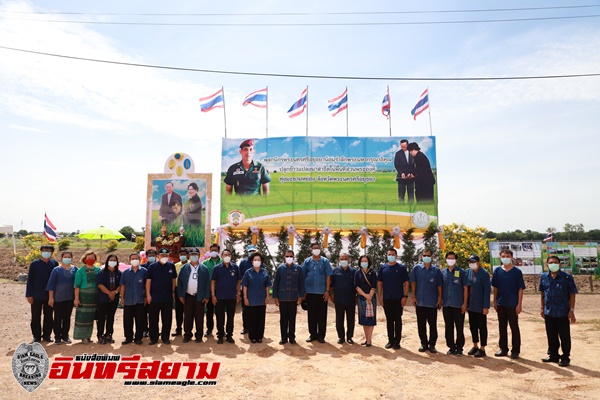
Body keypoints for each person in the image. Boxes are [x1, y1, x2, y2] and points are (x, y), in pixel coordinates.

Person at [539, 255, 578, 367]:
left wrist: (571, 310)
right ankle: (553, 355)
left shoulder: (566, 277)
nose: (553, 264)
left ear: (560, 264)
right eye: (550, 262)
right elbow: (542, 293)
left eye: (555, 262)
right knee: (551, 335)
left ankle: (565, 357)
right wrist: (542, 307)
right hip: (549, 311)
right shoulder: (544, 277)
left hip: (562, 312)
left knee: (564, 335)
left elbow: (572, 294)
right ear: (547, 265)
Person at [491, 248, 526, 359]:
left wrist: (519, 304)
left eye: (507, 256)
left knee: (514, 327)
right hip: (501, 303)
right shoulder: (497, 271)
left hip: (512, 304)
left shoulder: (517, 272)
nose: (505, 258)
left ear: (511, 257)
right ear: (500, 258)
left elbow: (520, 289)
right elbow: (495, 287)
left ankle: (515, 350)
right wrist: (494, 301)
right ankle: (503, 349)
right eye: (503, 256)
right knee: (502, 327)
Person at [410, 249, 443, 353]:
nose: (426, 257)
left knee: (432, 325)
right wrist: (413, 297)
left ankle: (432, 344)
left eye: (428, 255)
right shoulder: (416, 269)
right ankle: (424, 343)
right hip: (420, 302)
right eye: (424, 255)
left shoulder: (436, 271)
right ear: (421, 257)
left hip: (432, 303)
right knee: (421, 324)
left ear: (432, 257)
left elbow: (439, 286)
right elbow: (413, 283)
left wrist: (440, 298)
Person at [377, 248, 409, 350]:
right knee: (389, 320)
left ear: (396, 256)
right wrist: (380, 296)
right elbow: (380, 283)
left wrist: (405, 296)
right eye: (389, 254)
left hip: (398, 298)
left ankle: (397, 341)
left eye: (392, 254)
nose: (390, 256)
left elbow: (406, 282)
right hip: (387, 298)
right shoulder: (383, 268)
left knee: (398, 320)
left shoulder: (401, 268)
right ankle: (390, 340)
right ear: (386, 255)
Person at [26, 244, 58, 343]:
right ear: (41, 251)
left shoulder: (55, 264)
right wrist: (29, 294)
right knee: (35, 316)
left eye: (49, 250)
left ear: (52, 252)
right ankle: (36, 336)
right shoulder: (34, 264)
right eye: (45, 250)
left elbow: (56, 280)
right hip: (36, 295)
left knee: (48, 316)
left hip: (50, 295)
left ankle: (47, 335)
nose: (46, 252)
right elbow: (30, 280)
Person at [177, 247, 210, 343]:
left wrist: (207, 296)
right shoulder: (184, 268)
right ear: (189, 256)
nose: (194, 257)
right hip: (188, 296)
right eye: (192, 255)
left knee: (199, 317)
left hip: (199, 296)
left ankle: (199, 335)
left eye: (196, 255)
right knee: (188, 316)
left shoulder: (204, 269)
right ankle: (187, 334)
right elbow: (180, 283)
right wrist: (180, 295)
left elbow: (207, 283)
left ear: (199, 256)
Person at [301, 242, 333, 343]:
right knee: (311, 314)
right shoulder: (307, 261)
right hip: (309, 292)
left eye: (317, 248)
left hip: (322, 292)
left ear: (321, 249)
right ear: (311, 250)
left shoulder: (325, 261)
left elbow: (328, 276)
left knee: (322, 315)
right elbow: (302, 276)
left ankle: (321, 336)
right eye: (314, 248)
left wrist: (327, 291)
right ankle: (312, 334)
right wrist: (303, 291)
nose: (316, 250)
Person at [272, 250, 305, 345]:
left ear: (293, 258)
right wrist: (275, 297)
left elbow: (301, 283)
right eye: (287, 256)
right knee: (283, 318)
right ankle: (283, 338)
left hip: (293, 298)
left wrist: (301, 296)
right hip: (282, 297)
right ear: (284, 257)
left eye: (291, 256)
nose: (289, 258)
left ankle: (292, 337)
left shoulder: (298, 269)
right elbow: (276, 283)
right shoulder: (280, 269)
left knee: (292, 318)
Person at [146, 248, 177, 345]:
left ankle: (165, 337)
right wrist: (148, 294)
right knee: (153, 318)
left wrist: (173, 292)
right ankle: (153, 338)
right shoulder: (152, 267)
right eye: (162, 255)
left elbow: (173, 280)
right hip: (154, 297)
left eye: (166, 255)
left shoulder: (171, 266)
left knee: (167, 318)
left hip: (167, 297)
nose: (164, 257)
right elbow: (148, 281)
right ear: (158, 256)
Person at [441, 251, 470, 356]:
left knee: (459, 327)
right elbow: (440, 288)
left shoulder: (461, 272)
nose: (450, 260)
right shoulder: (443, 272)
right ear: (446, 259)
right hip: (446, 305)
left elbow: (465, 288)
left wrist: (464, 303)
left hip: (458, 304)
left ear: (456, 260)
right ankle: (451, 347)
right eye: (448, 258)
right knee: (448, 326)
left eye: (452, 258)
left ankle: (459, 348)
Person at [46, 251, 77, 345]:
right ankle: (57, 337)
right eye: (65, 257)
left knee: (67, 318)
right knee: (58, 318)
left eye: (69, 257)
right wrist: (51, 298)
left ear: (71, 258)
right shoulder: (56, 270)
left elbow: (77, 284)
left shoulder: (75, 269)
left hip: (70, 298)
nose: (67, 258)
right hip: (58, 298)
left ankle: (65, 336)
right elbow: (51, 285)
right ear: (62, 258)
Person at [211, 249, 241, 344]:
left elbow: (239, 281)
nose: (227, 256)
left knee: (230, 317)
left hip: (231, 297)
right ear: (222, 256)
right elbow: (213, 282)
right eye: (225, 254)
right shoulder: (217, 268)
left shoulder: (235, 267)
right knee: (220, 317)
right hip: (219, 297)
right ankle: (220, 335)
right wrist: (213, 295)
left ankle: (229, 336)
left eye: (228, 254)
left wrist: (238, 293)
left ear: (231, 256)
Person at [242, 252, 272, 343]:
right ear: (252, 262)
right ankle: (252, 337)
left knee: (261, 319)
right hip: (251, 299)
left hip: (261, 299)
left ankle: (259, 337)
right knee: (252, 319)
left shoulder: (265, 272)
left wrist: (267, 297)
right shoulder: (248, 273)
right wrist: (245, 297)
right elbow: (245, 286)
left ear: (261, 262)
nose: (257, 261)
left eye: (259, 260)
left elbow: (267, 286)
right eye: (255, 260)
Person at [465, 255, 490, 358]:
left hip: (480, 305)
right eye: (470, 261)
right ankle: (475, 345)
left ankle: (482, 348)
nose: (471, 263)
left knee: (482, 327)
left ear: (478, 262)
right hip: (471, 305)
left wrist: (485, 306)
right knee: (473, 326)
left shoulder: (484, 274)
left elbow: (487, 291)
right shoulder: (468, 272)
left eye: (473, 261)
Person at [74, 251, 101, 344]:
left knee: (91, 317)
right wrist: (76, 298)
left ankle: (88, 336)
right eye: (88, 258)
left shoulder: (98, 270)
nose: (90, 259)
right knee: (83, 316)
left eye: (92, 258)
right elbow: (76, 285)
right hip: (84, 296)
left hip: (94, 296)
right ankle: (82, 337)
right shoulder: (80, 270)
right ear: (84, 259)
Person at [120, 253, 147, 345]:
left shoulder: (144, 271)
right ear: (129, 260)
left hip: (140, 300)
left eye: (136, 258)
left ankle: (138, 338)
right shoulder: (125, 273)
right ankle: (128, 337)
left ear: (139, 260)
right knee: (127, 321)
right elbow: (123, 286)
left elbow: (146, 285)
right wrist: (122, 297)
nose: (134, 260)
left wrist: (146, 297)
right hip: (128, 300)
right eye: (132, 258)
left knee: (140, 320)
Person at [330, 253, 356, 344]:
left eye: (345, 258)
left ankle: (349, 337)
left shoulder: (354, 271)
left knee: (351, 320)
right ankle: (341, 337)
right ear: (339, 260)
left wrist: (356, 297)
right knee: (339, 320)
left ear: (349, 260)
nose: (344, 260)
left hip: (351, 300)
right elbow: (330, 285)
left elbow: (357, 286)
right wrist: (331, 295)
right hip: (339, 299)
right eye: (342, 259)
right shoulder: (335, 271)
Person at [96, 255, 122, 344]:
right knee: (101, 317)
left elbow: (120, 285)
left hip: (114, 299)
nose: (112, 261)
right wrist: (109, 293)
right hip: (103, 299)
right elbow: (100, 284)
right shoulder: (101, 272)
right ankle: (100, 335)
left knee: (111, 317)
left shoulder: (119, 273)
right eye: (111, 260)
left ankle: (109, 334)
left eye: (114, 260)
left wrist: (114, 293)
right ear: (107, 261)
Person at [355, 255, 377, 347]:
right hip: (361, 297)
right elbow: (356, 286)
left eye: (366, 261)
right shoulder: (357, 273)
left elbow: (374, 285)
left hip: (371, 298)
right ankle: (366, 337)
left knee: (371, 318)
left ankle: (369, 340)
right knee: (363, 318)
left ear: (368, 262)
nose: (364, 262)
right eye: (362, 261)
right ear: (360, 262)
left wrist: (370, 296)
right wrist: (365, 295)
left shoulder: (373, 272)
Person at [202, 244, 223, 337]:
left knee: (220, 311)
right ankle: (209, 329)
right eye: (212, 250)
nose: (213, 252)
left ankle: (221, 330)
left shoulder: (223, 262)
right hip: (209, 290)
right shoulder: (205, 263)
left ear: (218, 251)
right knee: (209, 311)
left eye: (215, 250)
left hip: (221, 291)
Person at [238, 244, 257, 335]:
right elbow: (239, 276)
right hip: (245, 289)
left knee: (255, 309)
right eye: (250, 251)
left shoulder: (258, 262)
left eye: (253, 251)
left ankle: (255, 327)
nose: (251, 253)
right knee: (245, 309)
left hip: (256, 290)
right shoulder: (243, 263)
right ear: (247, 252)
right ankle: (246, 328)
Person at [172, 248, 189, 337]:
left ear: (187, 255)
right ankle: (178, 329)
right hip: (178, 289)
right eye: (181, 254)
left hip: (188, 290)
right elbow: (174, 279)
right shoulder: (175, 266)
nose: (183, 256)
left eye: (184, 254)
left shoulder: (191, 264)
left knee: (188, 311)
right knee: (178, 311)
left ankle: (187, 330)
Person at [140, 248, 156, 338]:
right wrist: (145, 294)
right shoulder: (143, 267)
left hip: (155, 294)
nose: (151, 257)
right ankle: (144, 329)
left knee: (153, 314)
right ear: (146, 256)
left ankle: (153, 330)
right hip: (145, 294)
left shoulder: (159, 266)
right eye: (150, 256)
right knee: (143, 313)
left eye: (153, 255)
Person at [394, 139, 414, 203]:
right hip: (401, 177)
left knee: (411, 194)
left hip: (410, 177)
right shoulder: (398, 154)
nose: (403, 148)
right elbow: (396, 165)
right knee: (401, 195)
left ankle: (411, 208)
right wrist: (401, 173)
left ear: (407, 145)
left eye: (404, 147)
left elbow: (414, 165)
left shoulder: (412, 153)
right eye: (401, 146)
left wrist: (410, 173)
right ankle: (401, 208)